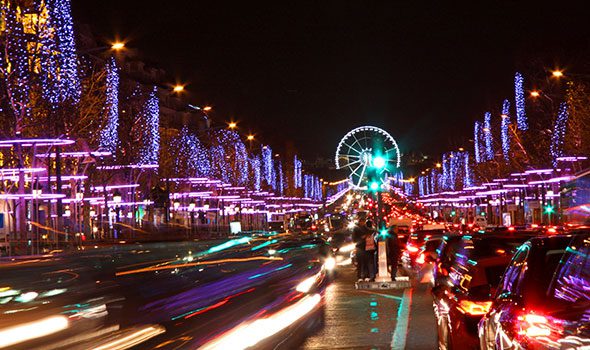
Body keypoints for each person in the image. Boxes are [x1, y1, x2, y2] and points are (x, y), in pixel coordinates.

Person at [352, 217, 369, 282]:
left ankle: (365, 276)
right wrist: (362, 238)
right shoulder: (356, 229)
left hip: (365, 247)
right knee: (360, 263)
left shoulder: (365, 228)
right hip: (360, 247)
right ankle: (360, 276)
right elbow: (354, 240)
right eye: (362, 222)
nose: (363, 223)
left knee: (365, 262)